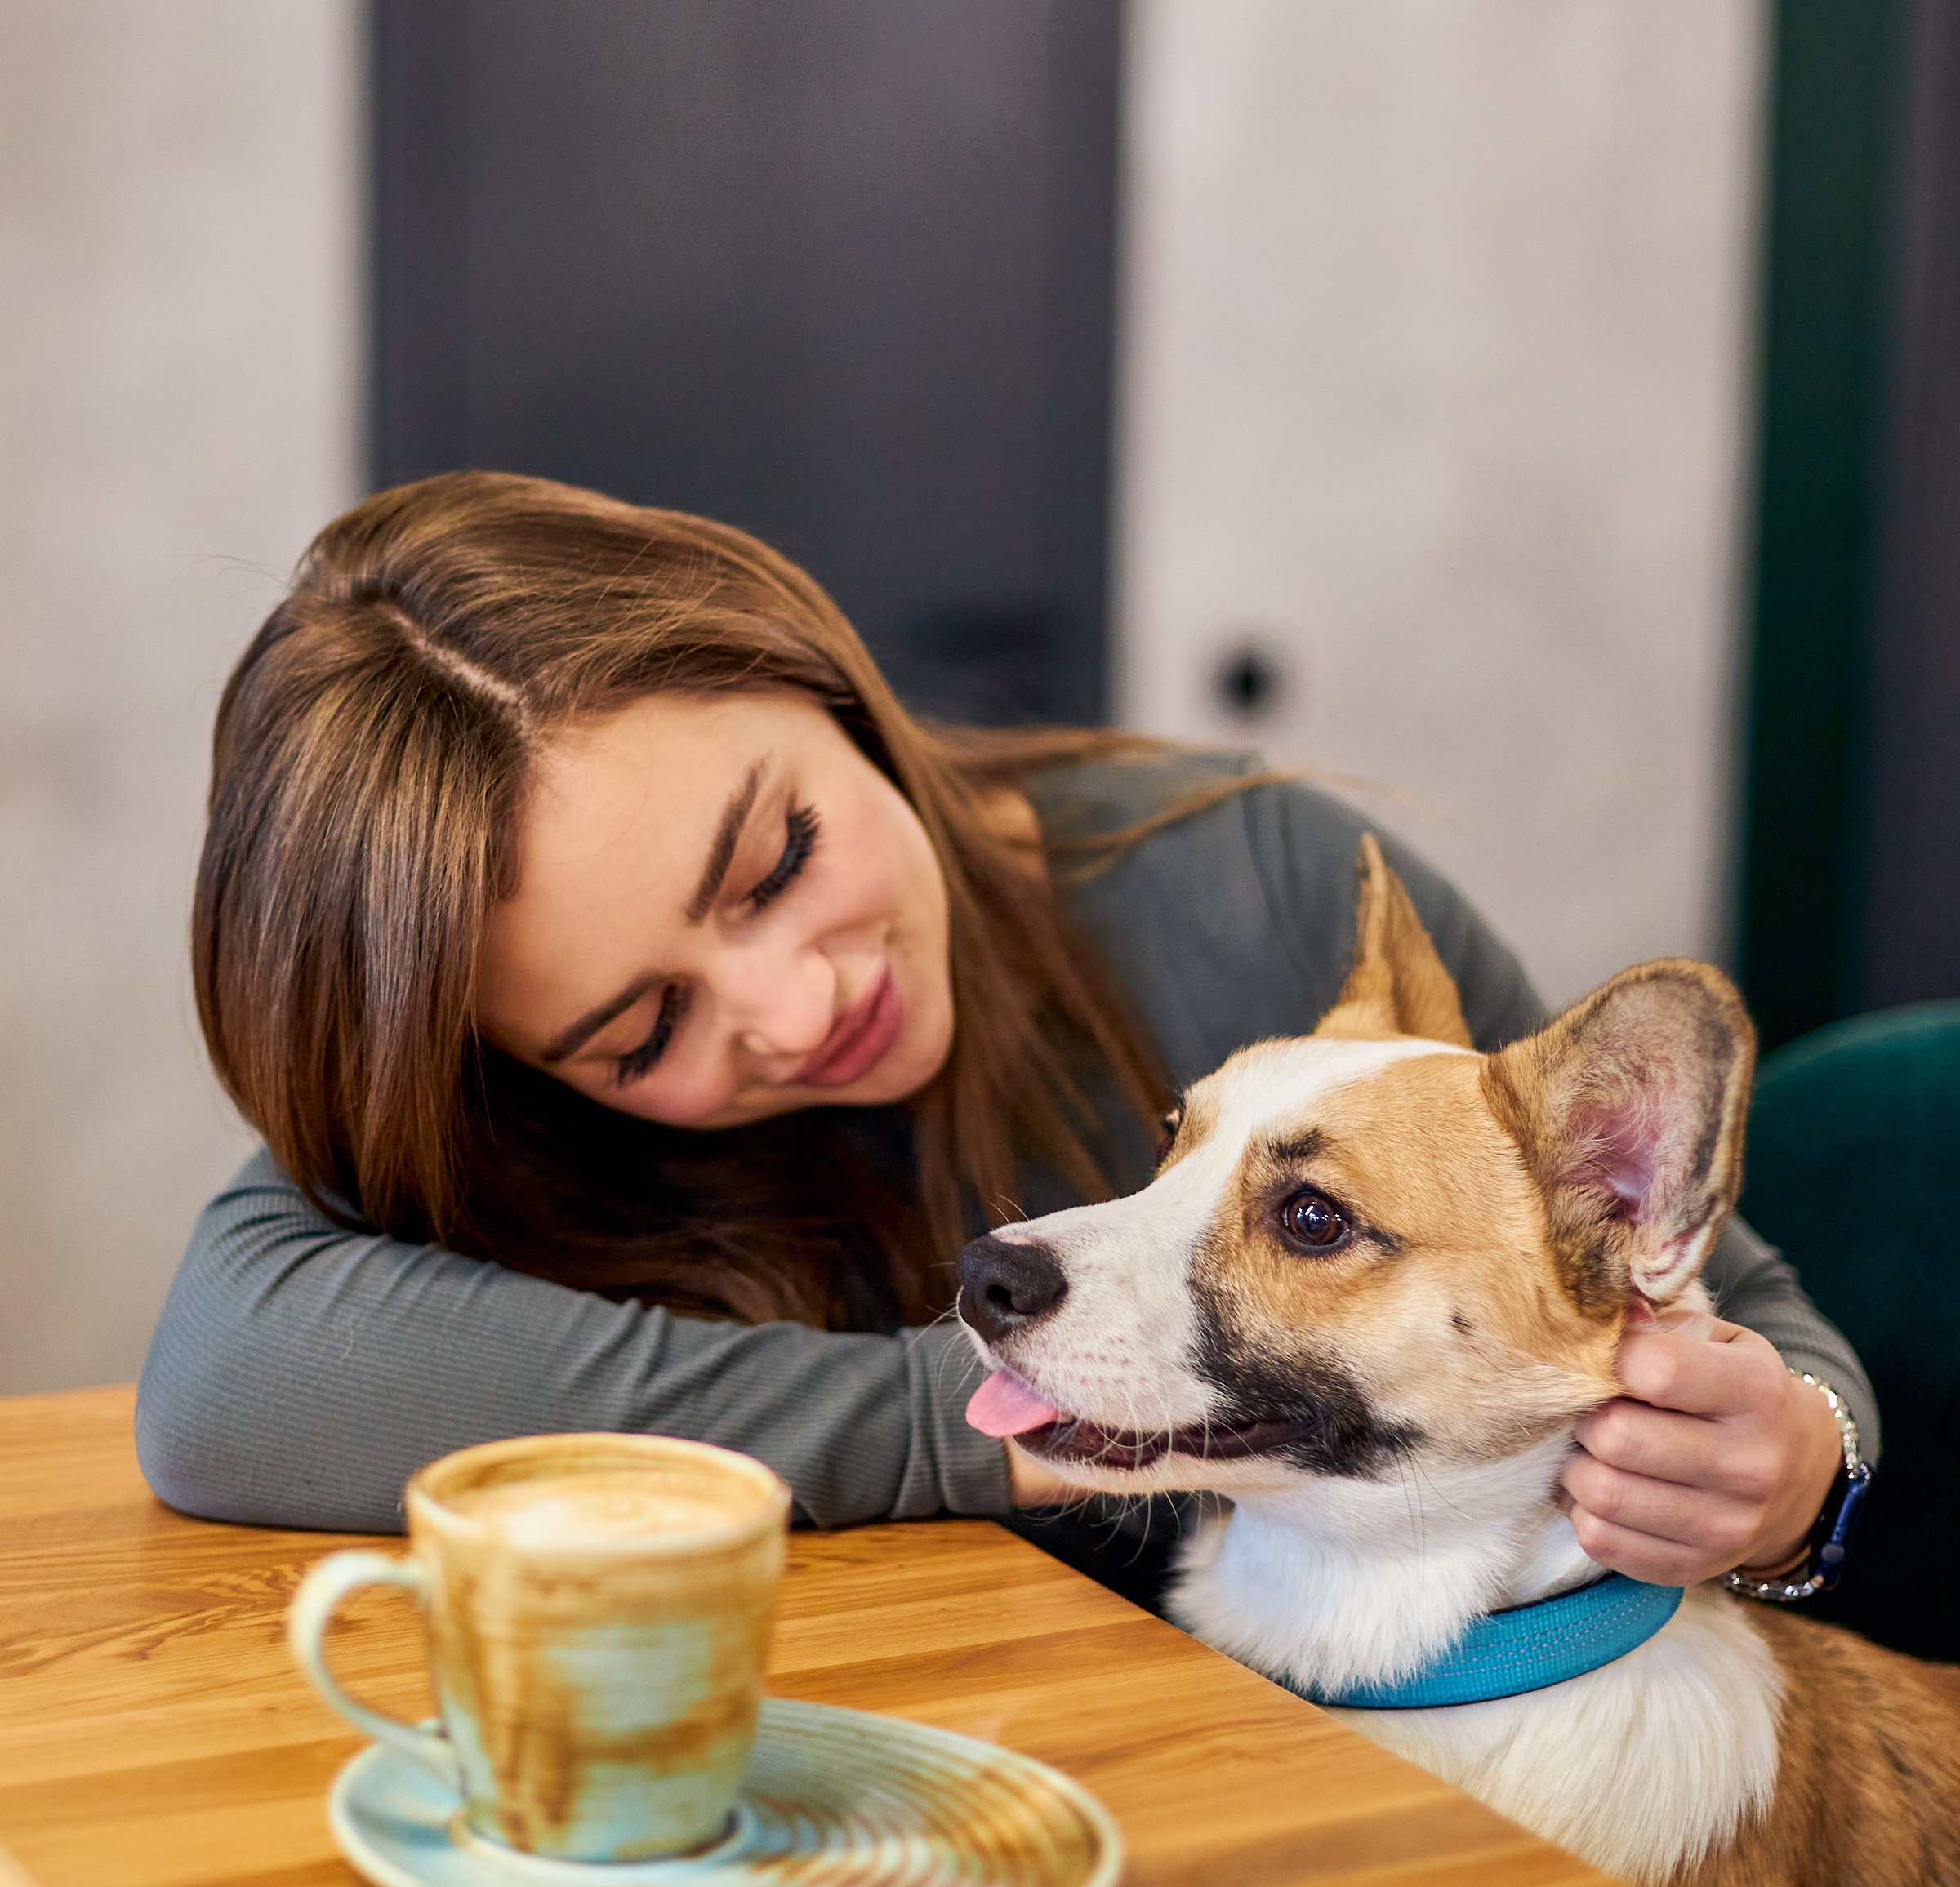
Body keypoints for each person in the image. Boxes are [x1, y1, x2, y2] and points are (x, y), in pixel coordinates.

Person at [138, 472, 1868, 1615]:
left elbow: (1746, 1321)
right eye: (641, 1027)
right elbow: (229, 1385)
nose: (798, 1010)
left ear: (811, 676)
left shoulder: (1245, 891)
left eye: (779, 859)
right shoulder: (527, 1124)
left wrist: (1790, 1475)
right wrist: (968, 1423)